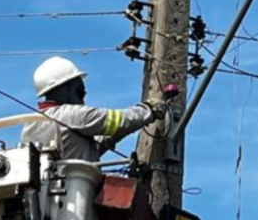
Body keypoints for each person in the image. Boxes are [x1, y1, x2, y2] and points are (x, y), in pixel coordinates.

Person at [21, 56, 165, 161]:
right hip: (75, 189)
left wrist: (113, 136)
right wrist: (149, 109)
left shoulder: (30, 125)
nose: (83, 100)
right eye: (80, 92)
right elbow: (118, 120)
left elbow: (80, 151)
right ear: (65, 89)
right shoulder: (73, 115)